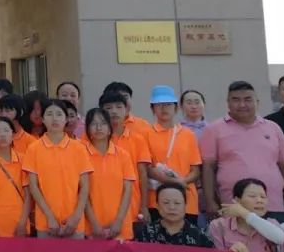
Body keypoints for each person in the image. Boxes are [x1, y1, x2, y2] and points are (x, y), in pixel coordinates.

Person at [200, 81, 284, 222]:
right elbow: (208, 167)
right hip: (234, 206)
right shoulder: (214, 129)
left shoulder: (273, 128)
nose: (242, 105)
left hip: (273, 204)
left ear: (257, 102)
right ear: (228, 103)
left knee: (274, 236)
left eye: (247, 99)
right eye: (236, 100)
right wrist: (210, 201)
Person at [23, 99, 93, 238]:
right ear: (43, 119)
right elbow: (34, 187)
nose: (54, 118)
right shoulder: (34, 148)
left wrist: (76, 217)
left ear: (66, 119)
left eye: (59, 114)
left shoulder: (79, 148)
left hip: (74, 222)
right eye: (49, 114)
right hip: (46, 222)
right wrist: (49, 217)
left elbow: (85, 186)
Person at [144, 85, 202, 220]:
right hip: (157, 201)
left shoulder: (188, 135)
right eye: (159, 105)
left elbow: (195, 170)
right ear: (152, 109)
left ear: (176, 108)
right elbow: (147, 168)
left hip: (186, 200)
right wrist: (174, 182)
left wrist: (182, 181)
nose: (164, 108)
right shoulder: (145, 134)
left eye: (168, 104)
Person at [81, 108, 136, 240]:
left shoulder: (123, 155)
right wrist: (94, 223)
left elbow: (127, 190)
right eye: (93, 124)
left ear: (110, 129)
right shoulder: (81, 154)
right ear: (87, 129)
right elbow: (81, 192)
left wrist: (119, 221)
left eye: (103, 123)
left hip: (120, 226)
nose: (98, 127)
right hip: (92, 227)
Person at [100, 90, 151, 227]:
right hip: (101, 206)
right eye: (108, 108)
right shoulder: (91, 139)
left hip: (132, 206)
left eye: (118, 107)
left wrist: (144, 206)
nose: (114, 111)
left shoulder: (138, 139)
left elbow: (142, 174)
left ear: (126, 110)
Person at [209, 178, 284, 252]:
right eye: (252, 196)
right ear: (237, 200)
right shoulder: (219, 225)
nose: (259, 200)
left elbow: (280, 238)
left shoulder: (271, 223)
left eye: (263, 197)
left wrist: (245, 213)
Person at [134, 183, 214, 248]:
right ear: (157, 206)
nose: (172, 207)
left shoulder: (200, 237)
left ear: (185, 205)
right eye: (166, 203)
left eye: (177, 203)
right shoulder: (145, 233)